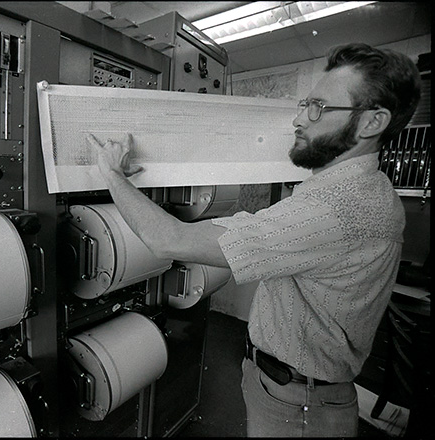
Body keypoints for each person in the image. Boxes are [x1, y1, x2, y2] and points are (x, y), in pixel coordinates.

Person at [86, 43, 421, 437]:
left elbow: (168, 239)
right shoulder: (372, 189)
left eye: (318, 107)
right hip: (299, 392)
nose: (299, 119)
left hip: (298, 407)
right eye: (304, 104)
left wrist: (112, 175)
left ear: (371, 123)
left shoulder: (335, 209)